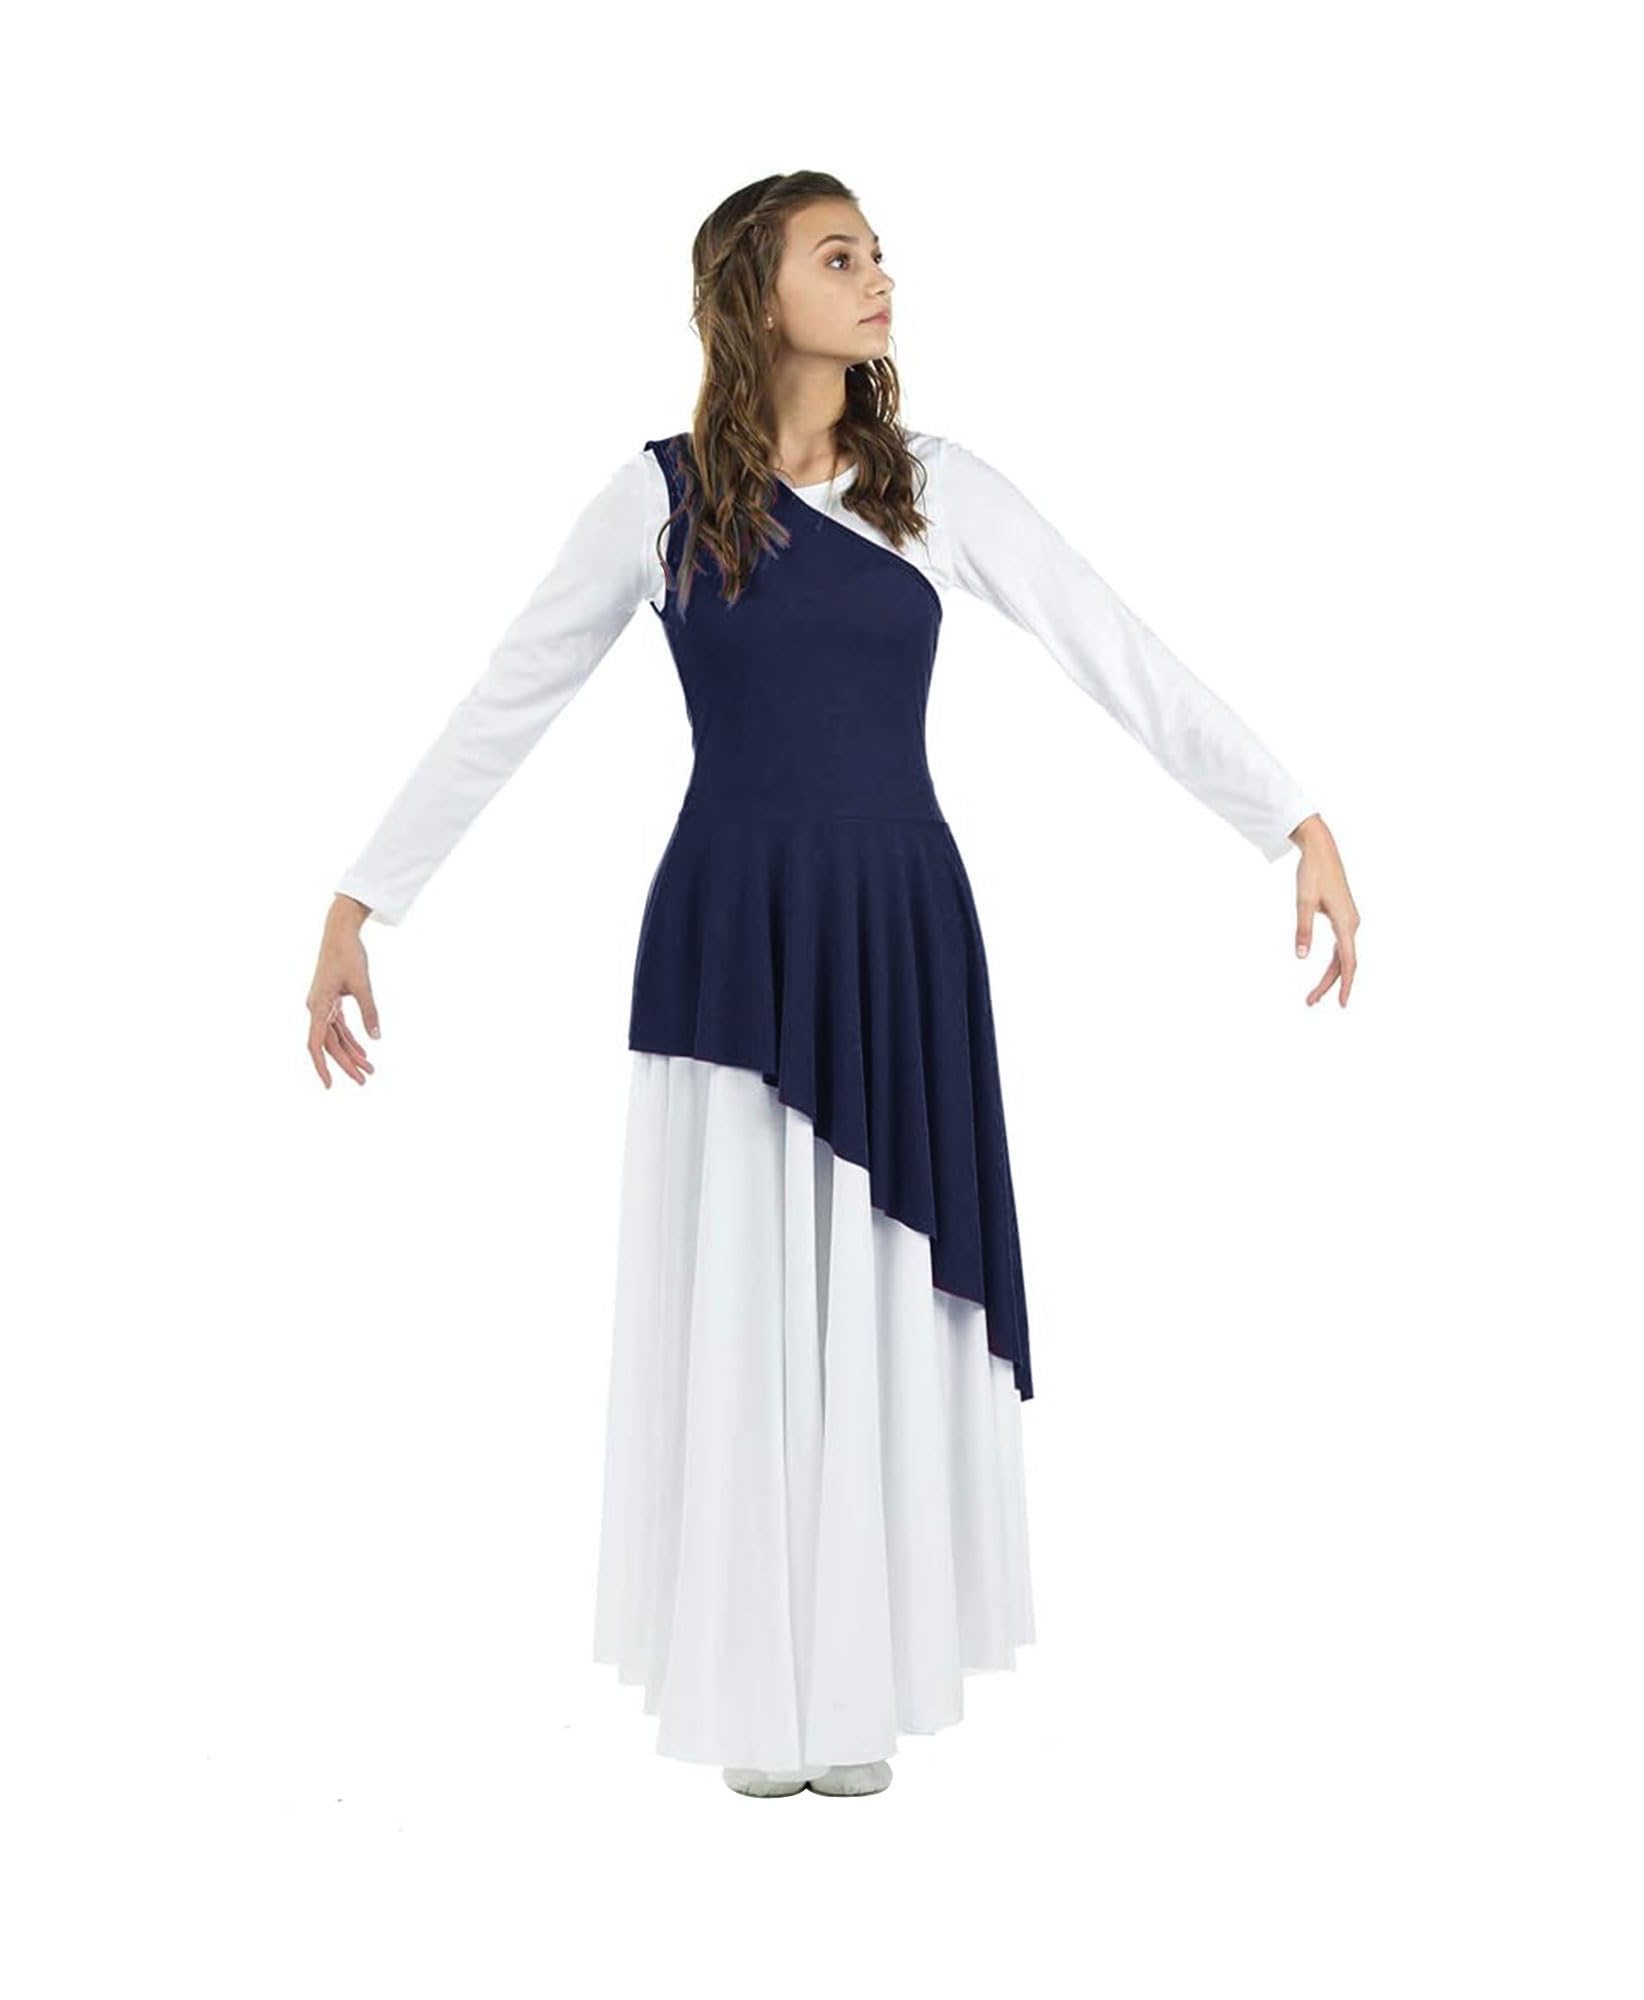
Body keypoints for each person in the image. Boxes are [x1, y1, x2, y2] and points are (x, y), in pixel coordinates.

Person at [306, 171, 1361, 1800]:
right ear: (756, 291)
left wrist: (1288, 815)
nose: (880, 279)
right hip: (731, 932)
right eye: (840, 254)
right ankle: (753, 1695)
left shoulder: (935, 489)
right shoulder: (656, 501)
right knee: (743, 1302)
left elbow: (1117, 652)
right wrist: (365, 895)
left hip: (896, 928)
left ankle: (857, 1689)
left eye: (878, 255)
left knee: (878, 1302)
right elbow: (509, 695)